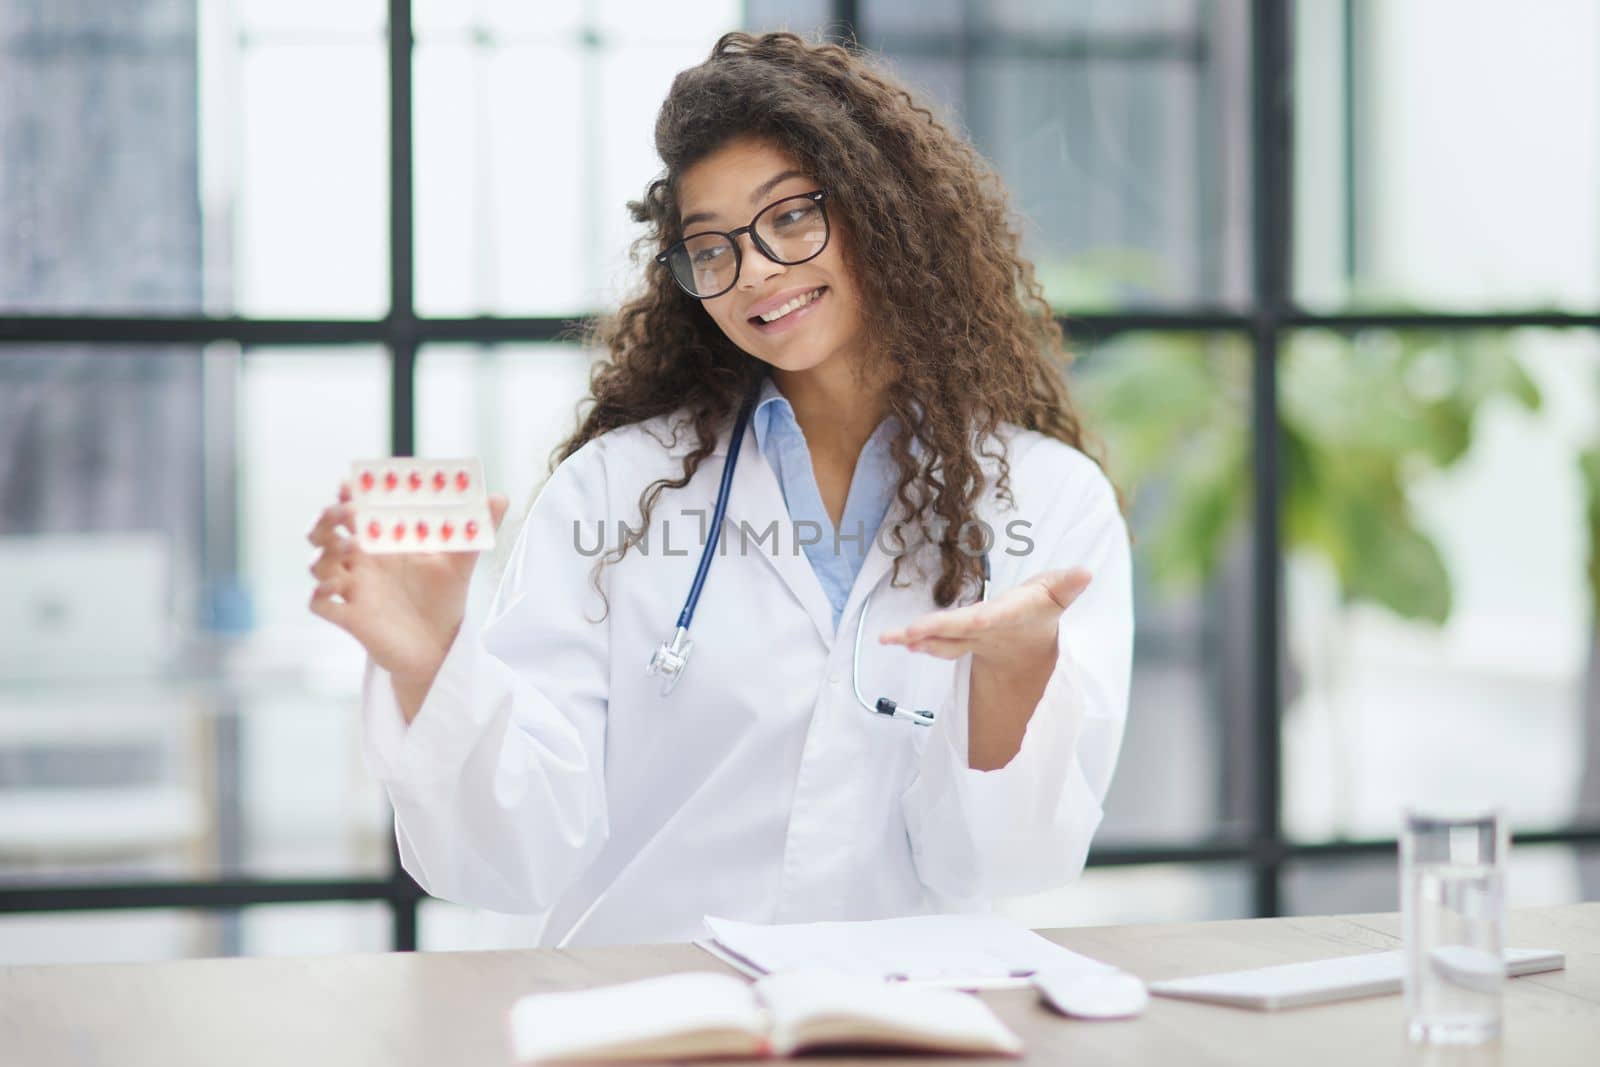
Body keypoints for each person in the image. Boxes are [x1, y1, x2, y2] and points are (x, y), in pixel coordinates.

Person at [305, 30, 1132, 948]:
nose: (758, 272)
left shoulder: (1049, 499)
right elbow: (512, 858)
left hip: (894, 1020)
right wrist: (433, 667)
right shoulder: (615, 495)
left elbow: (1007, 868)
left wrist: (1013, 675)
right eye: (712, 248)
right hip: (646, 1012)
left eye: (790, 217)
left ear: (885, 210)